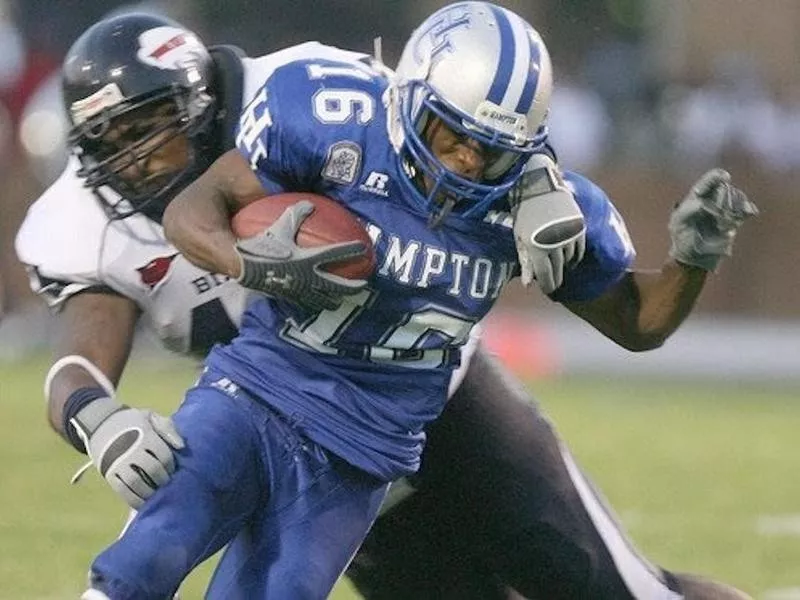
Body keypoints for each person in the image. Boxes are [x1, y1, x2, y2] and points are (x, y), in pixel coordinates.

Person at [14, 6, 756, 600]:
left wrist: (540, 183)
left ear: (202, 105)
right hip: (281, 409)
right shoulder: (85, 224)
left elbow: (465, 125)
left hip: (435, 400)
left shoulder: (313, 101)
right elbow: (78, 360)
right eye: (112, 141)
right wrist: (98, 420)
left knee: (603, 587)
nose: (137, 157)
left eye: (150, 130)